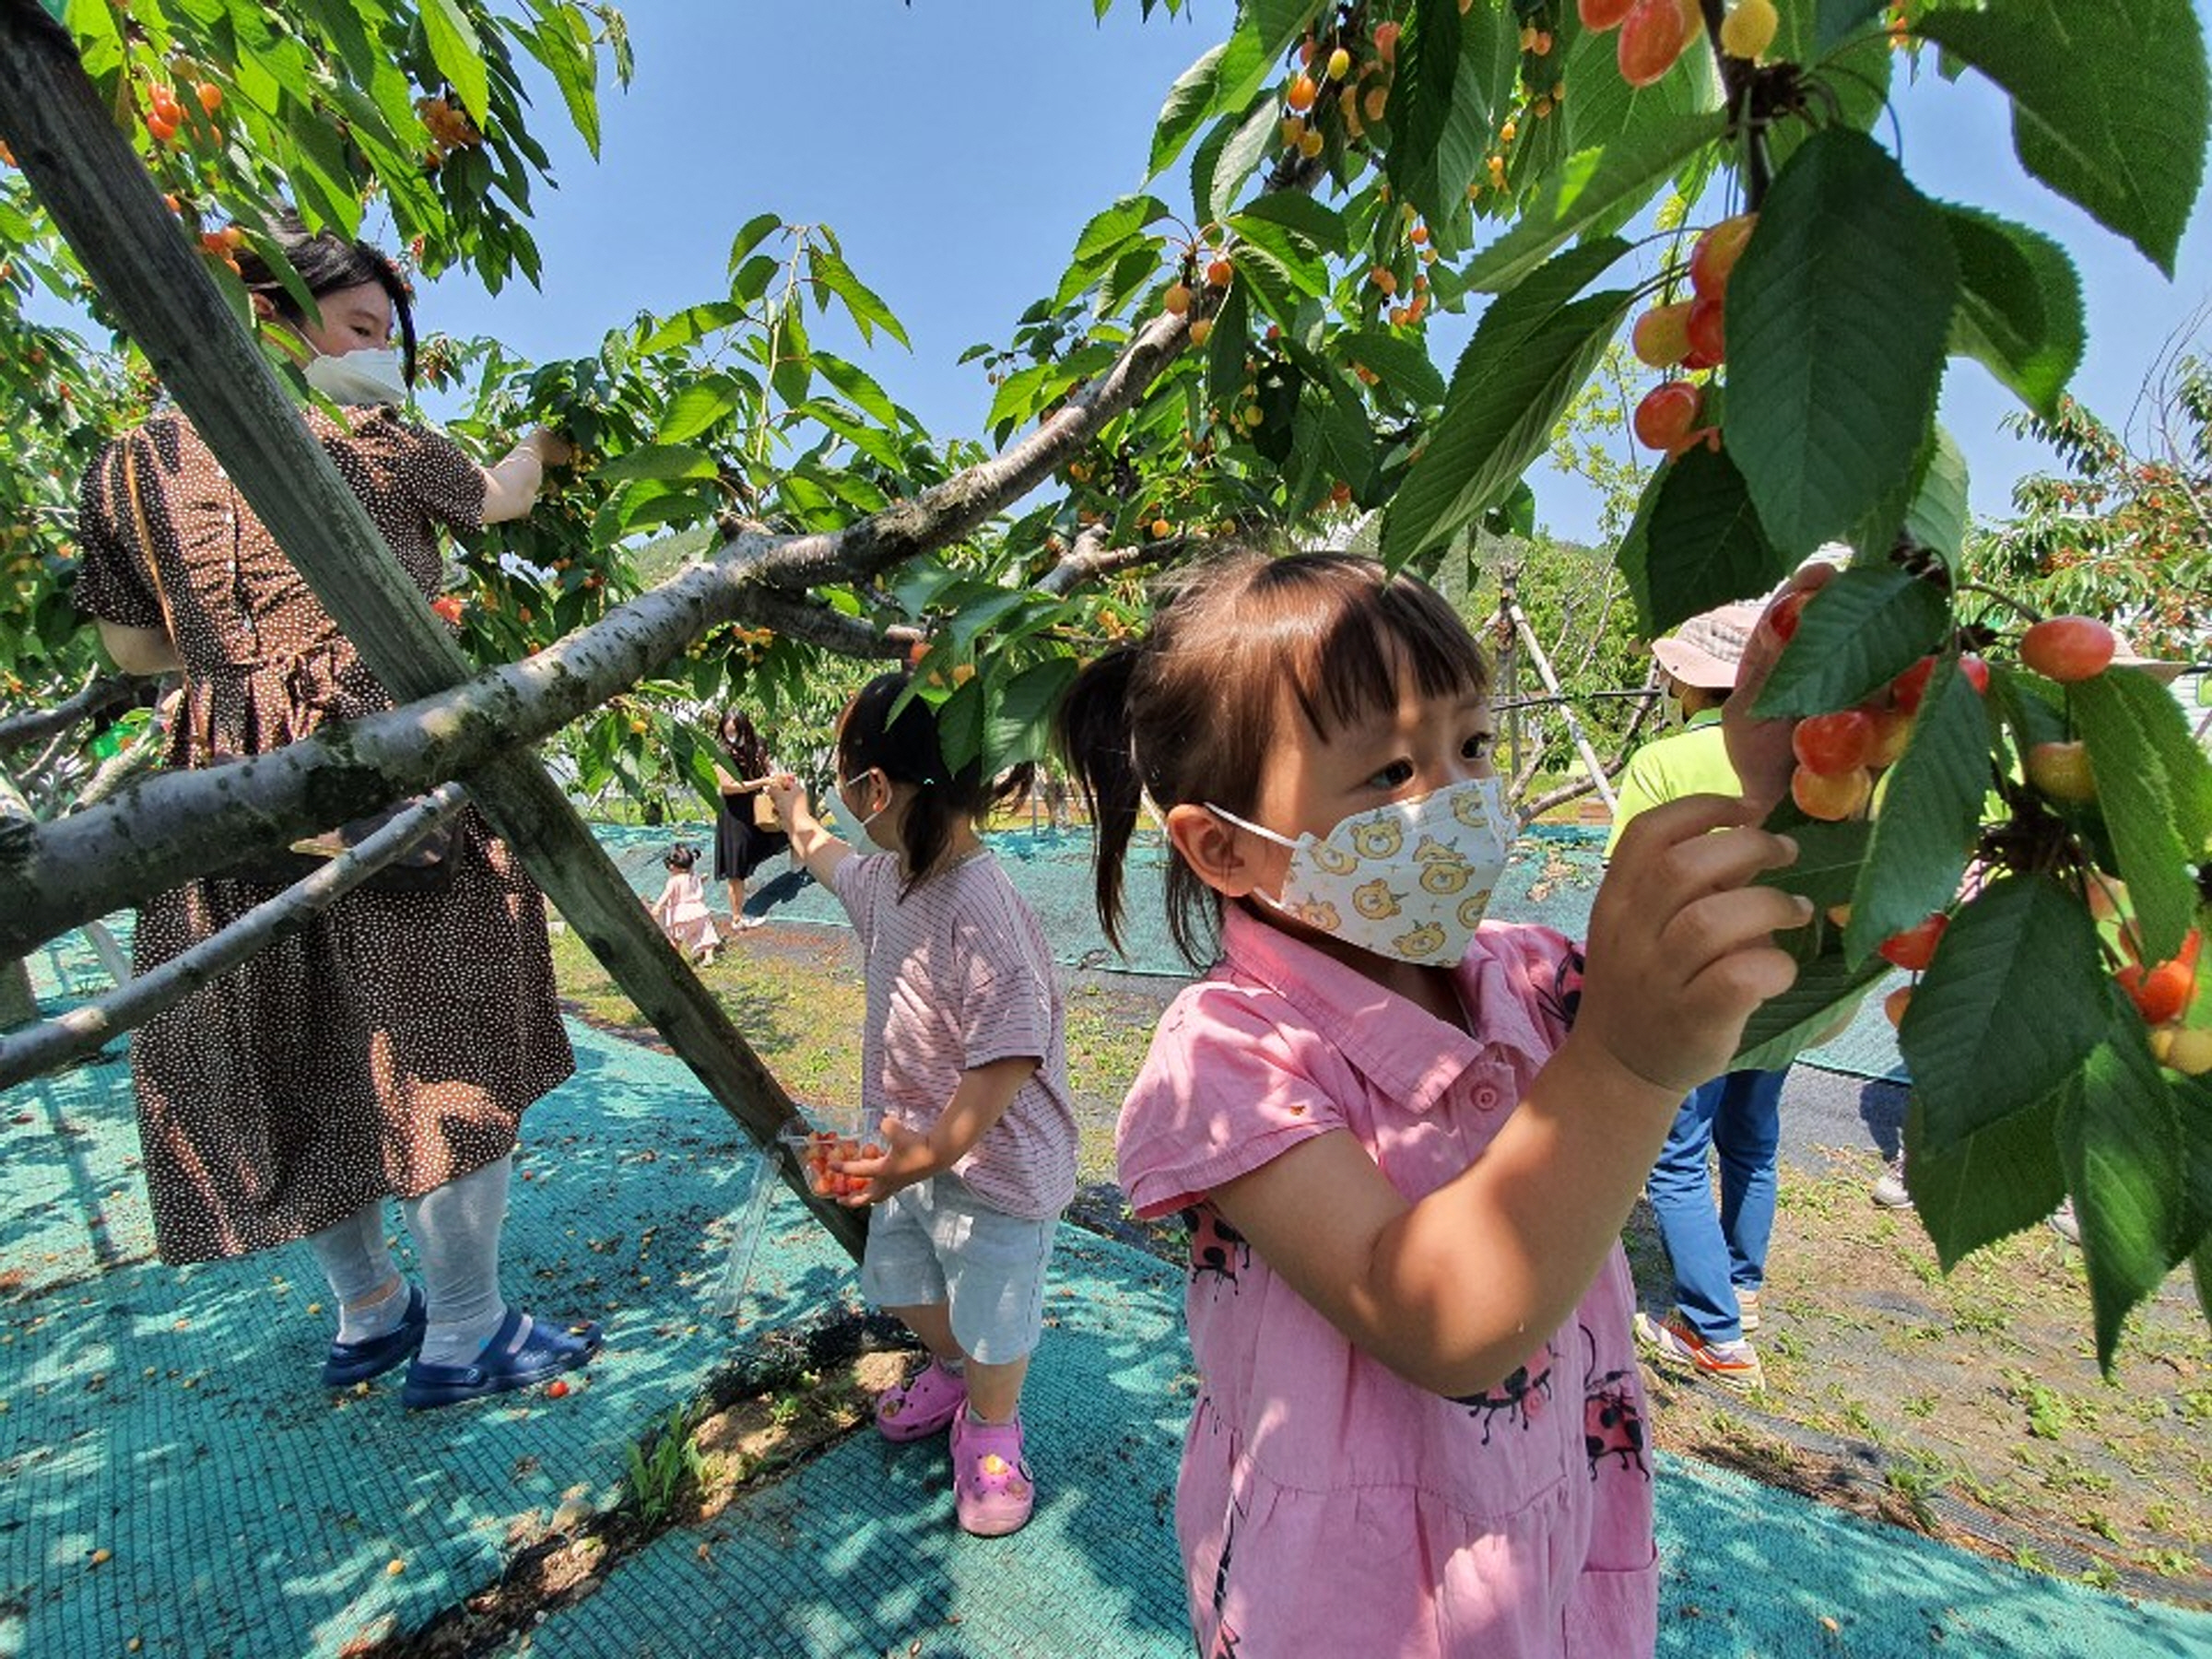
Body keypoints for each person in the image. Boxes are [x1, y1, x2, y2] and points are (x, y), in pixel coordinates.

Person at [1054, 550, 1808, 1657]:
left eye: (1470, 747)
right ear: (1222, 845)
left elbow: (1759, 978)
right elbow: (1438, 1319)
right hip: (1360, 1605)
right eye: (1388, 775)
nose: (1455, 801)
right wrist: (1627, 1068)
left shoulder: (1532, 975)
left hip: (1552, 1537)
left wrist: (1774, 788)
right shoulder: (1224, 1058)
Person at [72, 210, 599, 1410]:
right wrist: (548, 442)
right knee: (442, 1045)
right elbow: (500, 499)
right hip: (378, 765)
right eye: (363, 327)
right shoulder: (363, 435)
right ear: (277, 319)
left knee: (293, 1046)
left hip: (217, 785)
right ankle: (466, 1329)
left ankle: (369, 1313)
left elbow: (127, 643)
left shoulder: (127, 469)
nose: (384, 354)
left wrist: (236, 668)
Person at [761, 673, 1077, 1536]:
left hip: (994, 1164)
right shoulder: (892, 880)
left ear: (874, 788)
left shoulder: (981, 906)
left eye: (835, 776)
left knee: (997, 1313)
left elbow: (1008, 1056)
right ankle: (948, 1365)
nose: (833, 793)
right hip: (914, 1147)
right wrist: (793, 813)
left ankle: (991, 1422)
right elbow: (827, 857)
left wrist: (931, 1154)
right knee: (904, 1280)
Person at [1605, 600, 1786, 1394]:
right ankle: (1742, 1287)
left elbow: (1629, 879)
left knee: (1676, 1161)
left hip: (1696, 982)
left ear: (1685, 678)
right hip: (1784, 983)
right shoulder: (1801, 756)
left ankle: (1712, 1332)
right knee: (1753, 1137)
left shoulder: (1664, 763)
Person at [712, 706, 789, 929]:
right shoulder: (722, 753)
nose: (732, 737)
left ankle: (799, 868)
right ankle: (737, 918)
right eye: (728, 732)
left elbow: (768, 769)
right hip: (734, 812)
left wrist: (775, 778)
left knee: (779, 834)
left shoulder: (758, 745)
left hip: (757, 806)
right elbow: (728, 788)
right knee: (735, 866)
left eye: (736, 731)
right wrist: (762, 783)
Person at [648, 843, 720, 966]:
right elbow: (697, 883)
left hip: (682, 915)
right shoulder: (694, 877)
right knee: (706, 934)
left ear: (672, 867)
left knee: (675, 939)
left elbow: (667, 894)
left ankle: (674, 960)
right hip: (699, 912)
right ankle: (709, 957)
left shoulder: (674, 880)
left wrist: (658, 906)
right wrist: (702, 879)